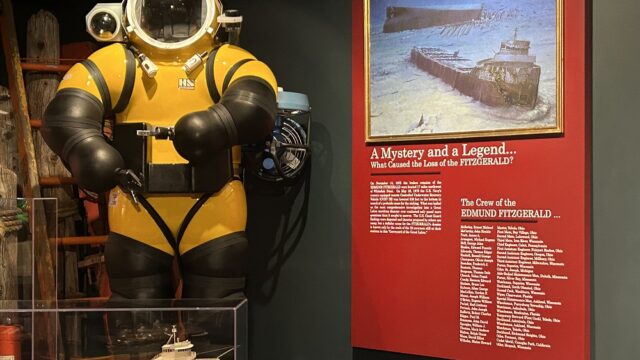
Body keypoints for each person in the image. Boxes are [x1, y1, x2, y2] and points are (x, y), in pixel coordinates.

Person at [42, 0, 277, 301]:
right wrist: (87, 149)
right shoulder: (119, 63)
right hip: (137, 205)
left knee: (217, 316)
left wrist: (215, 125)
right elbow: (65, 116)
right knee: (137, 321)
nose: (171, 13)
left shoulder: (224, 61)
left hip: (213, 203)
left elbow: (255, 102)